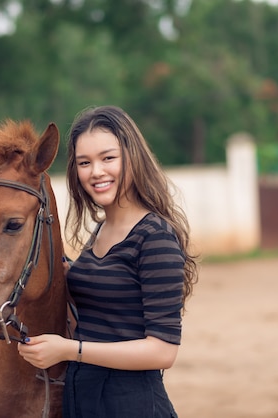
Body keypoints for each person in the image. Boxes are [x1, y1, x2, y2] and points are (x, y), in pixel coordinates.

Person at [17, 105, 198, 417]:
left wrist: (68, 349)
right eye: (85, 162)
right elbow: (114, 295)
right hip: (82, 399)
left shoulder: (154, 236)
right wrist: (67, 273)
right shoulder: (102, 229)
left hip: (131, 404)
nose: (96, 171)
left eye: (108, 158)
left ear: (132, 157)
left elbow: (162, 351)